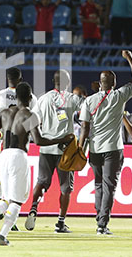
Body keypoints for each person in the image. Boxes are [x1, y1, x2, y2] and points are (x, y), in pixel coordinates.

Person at [0, 82, 73, 246]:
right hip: (19, 156)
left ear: (16, 96)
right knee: (17, 202)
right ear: (30, 97)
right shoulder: (30, 115)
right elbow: (39, 140)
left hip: (4, 155)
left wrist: (1, 132)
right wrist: (62, 139)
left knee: (6, 198)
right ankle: (2, 237)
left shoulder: (5, 113)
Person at [78, 50, 132, 235]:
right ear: (113, 83)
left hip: (95, 149)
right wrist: (130, 58)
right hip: (113, 149)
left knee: (98, 184)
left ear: (99, 83)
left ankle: (100, 219)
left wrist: (81, 148)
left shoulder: (89, 101)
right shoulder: (119, 95)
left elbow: (84, 127)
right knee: (109, 187)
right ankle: (102, 224)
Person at [25, 70, 83, 233]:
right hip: (65, 151)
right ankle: (60, 222)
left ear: (53, 81)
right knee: (66, 188)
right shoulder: (71, 99)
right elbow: (87, 108)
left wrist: (41, 133)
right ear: (67, 83)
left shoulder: (43, 99)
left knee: (42, 182)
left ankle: (34, 207)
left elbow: (31, 122)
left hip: (46, 147)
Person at [0, 67, 36, 212]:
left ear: (7, 79)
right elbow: (34, 118)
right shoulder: (31, 97)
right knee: (16, 181)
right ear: (20, 79)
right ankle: (9, 212)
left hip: (2, 141)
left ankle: (0, 202)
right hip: (21, 144)